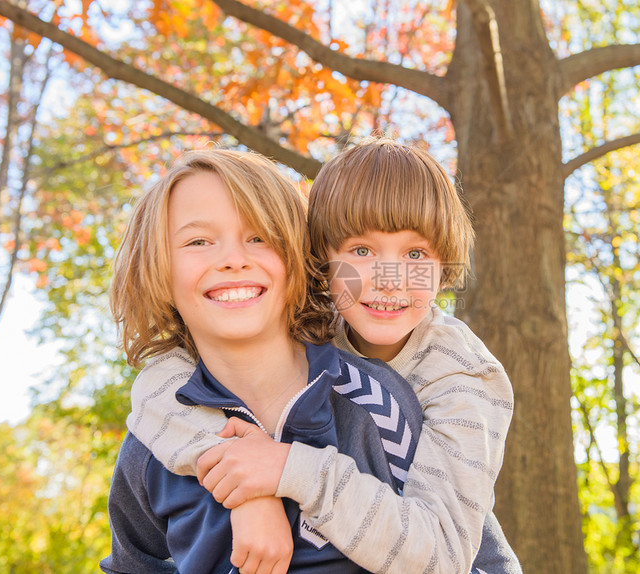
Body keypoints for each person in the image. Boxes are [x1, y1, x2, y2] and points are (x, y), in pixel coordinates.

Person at [128, 139, 521, 573]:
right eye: (361, 251)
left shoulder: (464, 377)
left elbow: (443, 556)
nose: (389, 281)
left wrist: (286, 469)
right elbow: (158, 385)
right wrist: (243, 483)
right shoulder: (311, 316)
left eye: (415, 254)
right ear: (319, 258)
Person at [99, 149, 424, 574]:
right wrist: (247, 492)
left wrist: (286, 474)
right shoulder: (152, 445)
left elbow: (454, 548)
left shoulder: (377, 405)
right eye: (198, 241)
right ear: (159, 271)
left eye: (259, 238)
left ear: (297, 258)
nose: (234, 259)